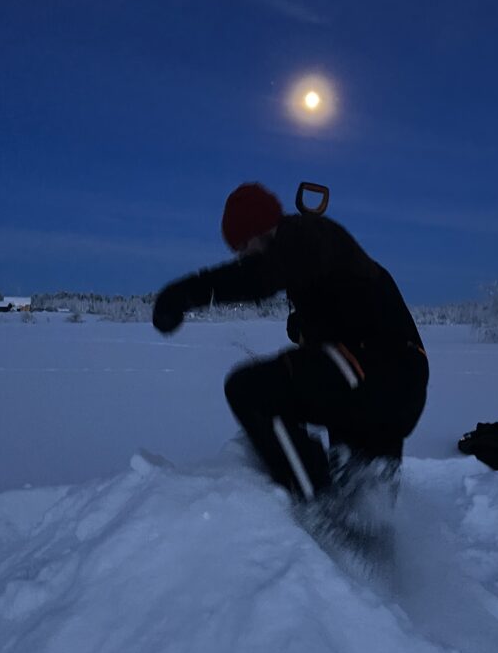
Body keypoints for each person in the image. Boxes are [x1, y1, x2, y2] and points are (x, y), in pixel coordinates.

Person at [152, 182, 428, 502]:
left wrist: (182, 295)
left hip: (375, 370)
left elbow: (258, 276)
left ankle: (315, 506)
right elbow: (349, 301)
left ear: (257, 230)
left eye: (243, 247)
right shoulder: (318, 249)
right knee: (363, 497)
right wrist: (307, 326)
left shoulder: (304, 233)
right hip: (391, 384)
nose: (243, 256)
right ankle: (368, 542)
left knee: (250, 390)